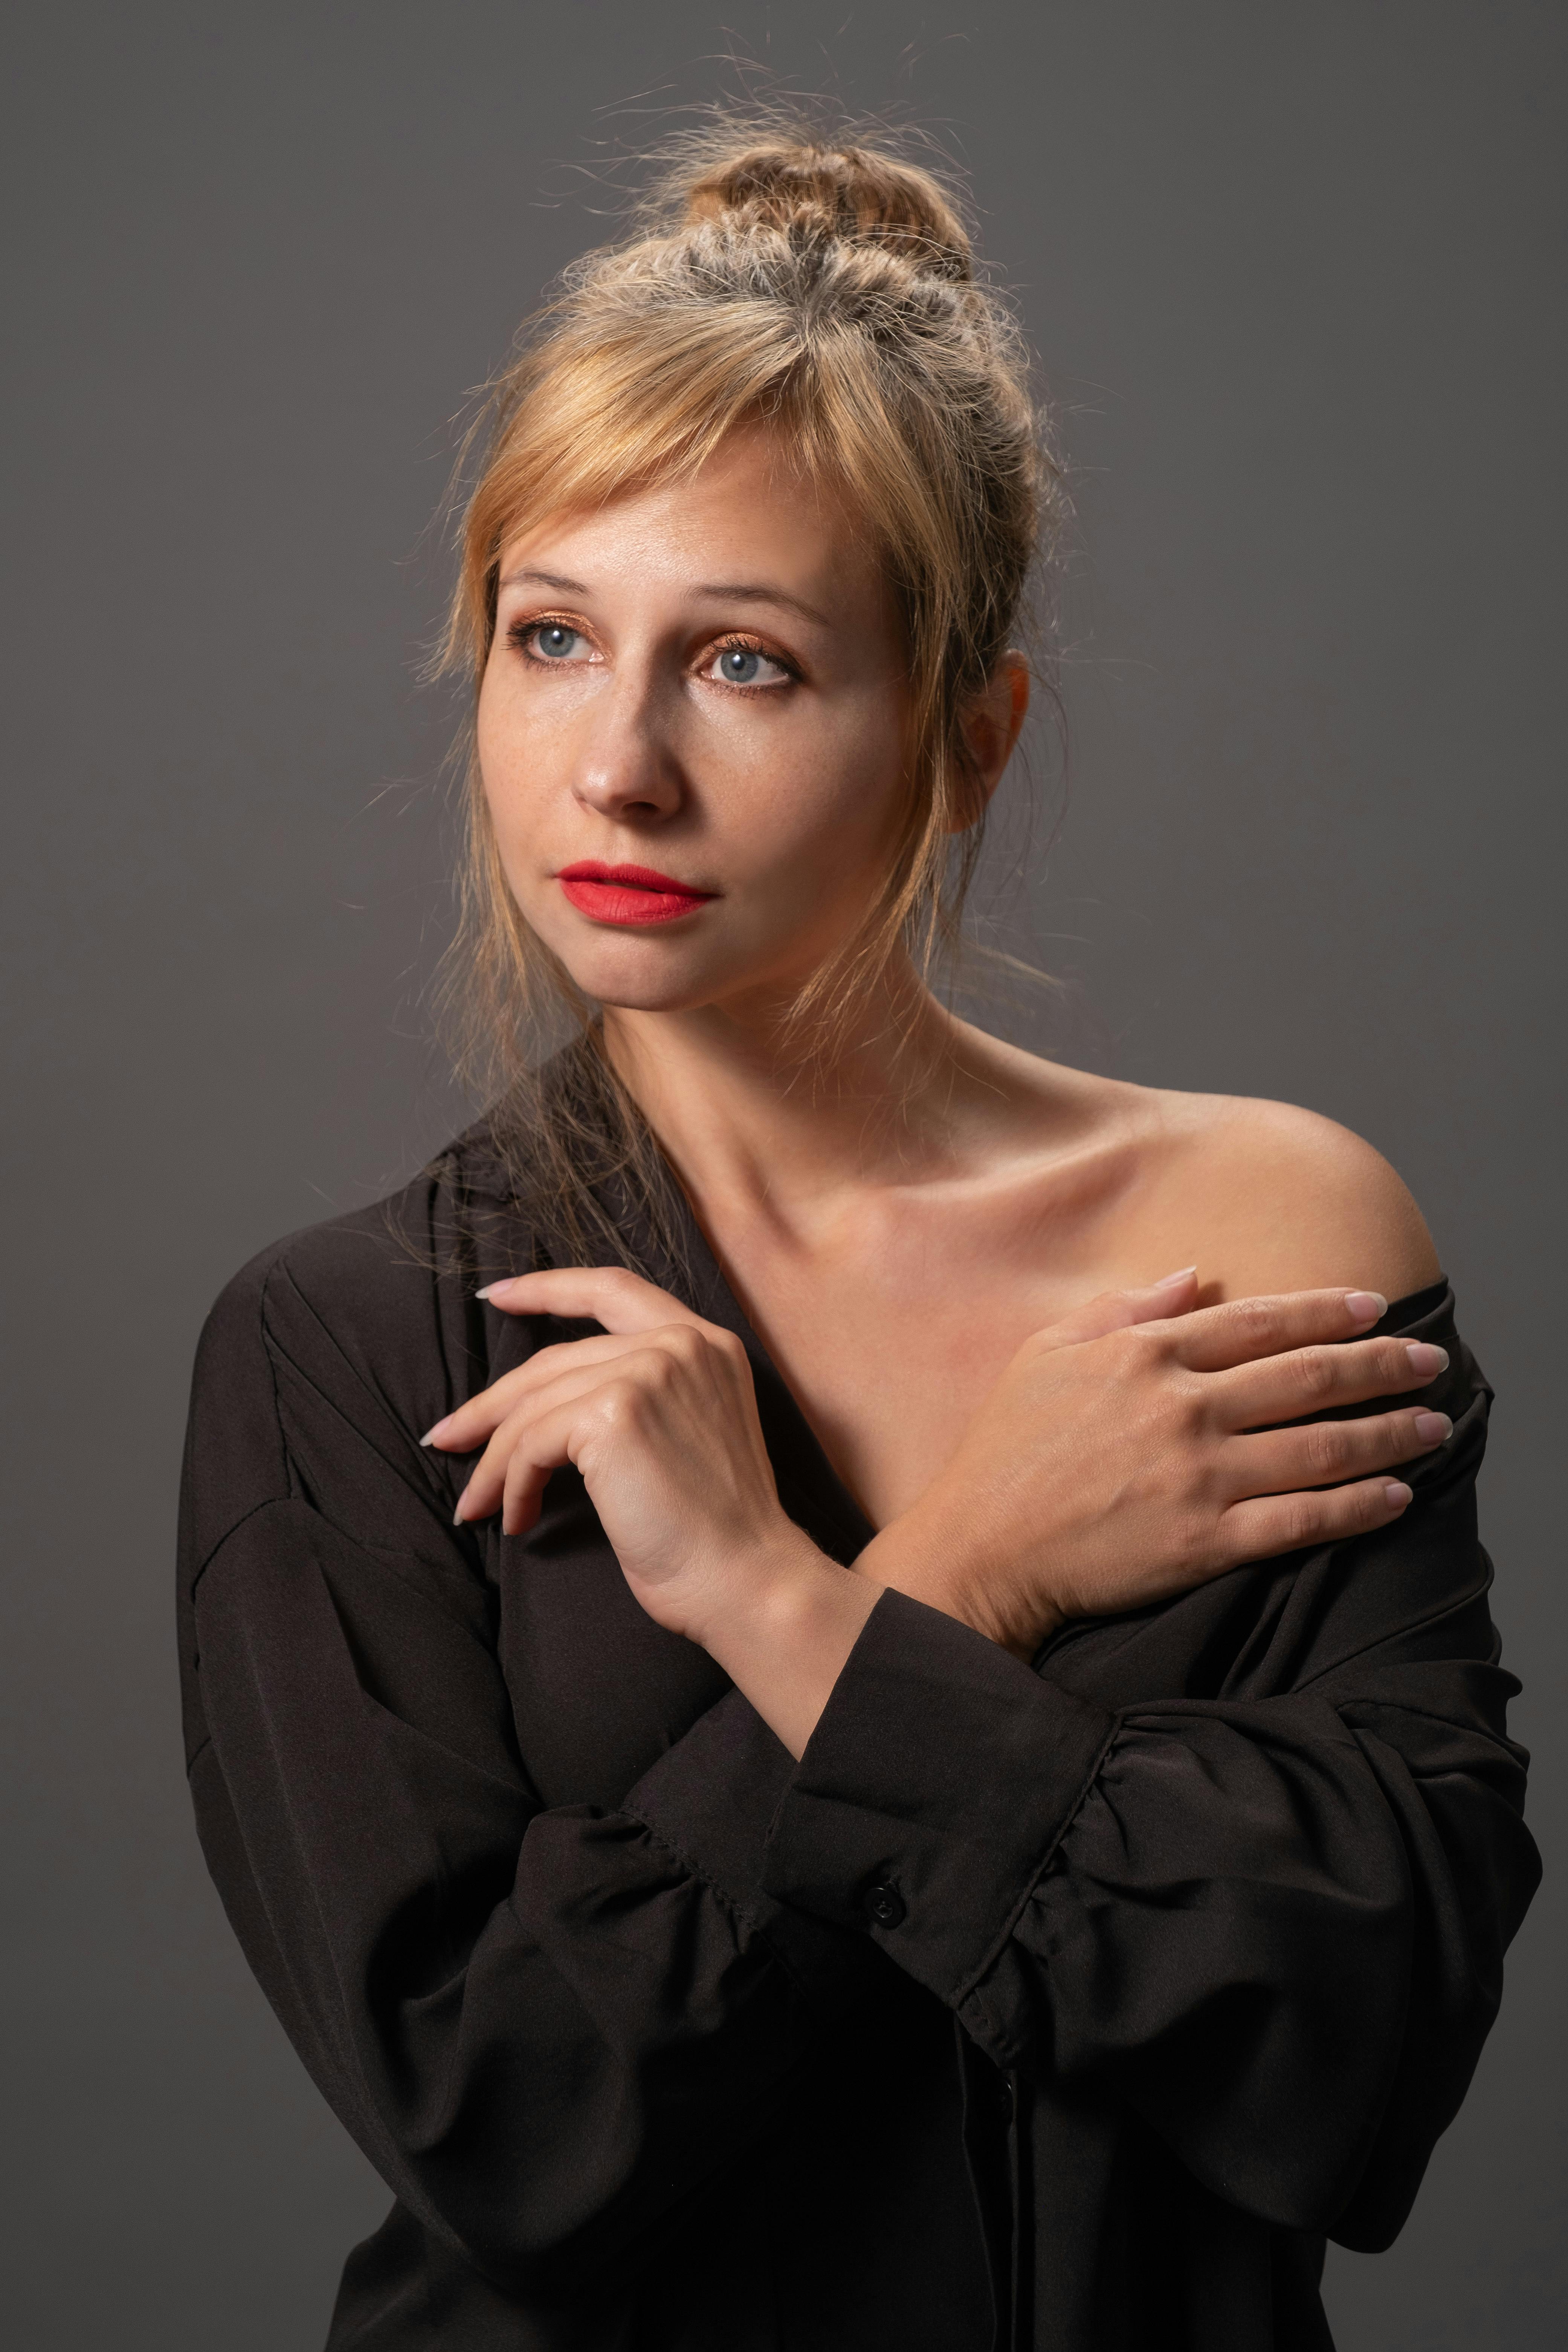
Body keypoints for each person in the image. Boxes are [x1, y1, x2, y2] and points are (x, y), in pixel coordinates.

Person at [177, 130, 1539, 2351]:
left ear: (964, 738)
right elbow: (514, 2124)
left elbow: (1366, 2033)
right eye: (549, 636)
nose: (610, 767)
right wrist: (958, 1582)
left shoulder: (1269, 1237)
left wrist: (796, 1622)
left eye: (745, 665)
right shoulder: (342, 1345)